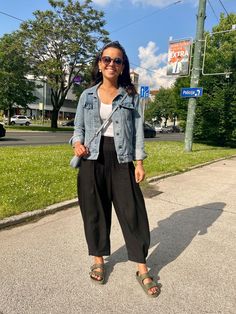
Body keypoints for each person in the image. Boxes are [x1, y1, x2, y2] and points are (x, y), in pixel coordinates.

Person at [70, 41, 161, 297]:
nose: (111, 64)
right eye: (106, 59)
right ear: (99, 64)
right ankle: (98, 260)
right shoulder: (87, 95)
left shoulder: (130, 96)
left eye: (117, 61)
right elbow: (78, 128)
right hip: (92, 159)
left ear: (123, 67)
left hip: (121, 159)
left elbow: (138, 133)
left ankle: (141, 266)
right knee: (94, 211)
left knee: (133, 212)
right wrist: (77, 143)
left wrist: (139, 161)